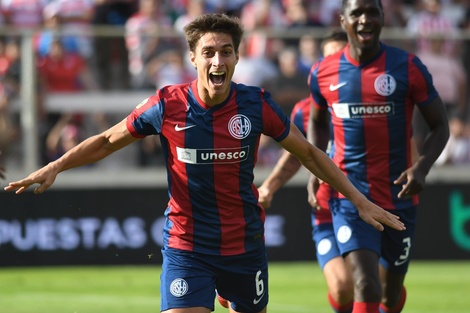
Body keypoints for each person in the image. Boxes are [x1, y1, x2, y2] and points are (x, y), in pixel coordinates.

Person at [4, 13, 405, 313]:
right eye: (208, 53)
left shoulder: (255, 103)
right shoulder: (167, 104)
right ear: (193, 58)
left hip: (244, 245)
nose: (217, 61)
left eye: (226, 52)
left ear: (236, 57)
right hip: (187, 246)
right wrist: (55, 165)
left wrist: (359, 201)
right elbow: (108, 140)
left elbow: (310, 154)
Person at [308, 1, 449, 313]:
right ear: (343, 19)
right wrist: (315, 170)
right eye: (357, 13)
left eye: (372, 12)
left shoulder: (407, 67)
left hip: (399, 196)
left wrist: (422, 167)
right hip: (349, 196)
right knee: (365, 283)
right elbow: (317, 123)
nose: (364, 20)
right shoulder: (323, 72)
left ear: (384, 18)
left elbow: (440, 126)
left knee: (389, 292)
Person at [256, 29, 354, 313]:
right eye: (329, 58)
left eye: (342, 56)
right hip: (327, 208)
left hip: (372, 201)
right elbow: (297, 156)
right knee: (342, 287)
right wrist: (270, 187)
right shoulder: (305, 110)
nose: (335, 63)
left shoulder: (371, 104)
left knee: (380, 287)